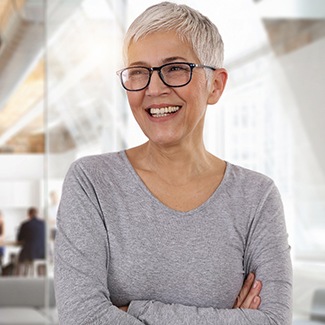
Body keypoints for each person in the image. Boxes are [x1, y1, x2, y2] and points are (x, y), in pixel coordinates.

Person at [54, 2, 292, 324]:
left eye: (175, 68)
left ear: (216, 85)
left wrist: (137, 310)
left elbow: (275, 320)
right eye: (138, 72)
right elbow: (82, 318)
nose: (153, 89)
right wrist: (228, 319)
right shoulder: (92, 183)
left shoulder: (257, 197)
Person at [17, 207, 46, 276]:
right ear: (37, 214)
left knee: (19, 261)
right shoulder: (44, 224)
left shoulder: (25, 224)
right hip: (43, 252)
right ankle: (41, 276)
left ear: (29, 214)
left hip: (30, 252)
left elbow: (19, 239)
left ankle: (20, 278)